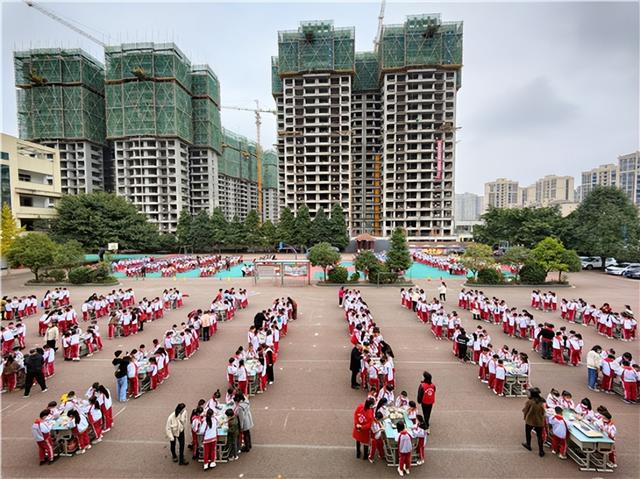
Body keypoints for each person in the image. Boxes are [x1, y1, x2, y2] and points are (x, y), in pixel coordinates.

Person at [521, 387, 546, 457]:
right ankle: (541, 451)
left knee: (528, 433)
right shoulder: (542, 401)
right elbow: (543, 411)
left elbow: (525, 410)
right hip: (539, 421)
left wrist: (525, 416)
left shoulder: (529, 402)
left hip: (530, 420)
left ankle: (528, 445)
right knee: (539, 436)